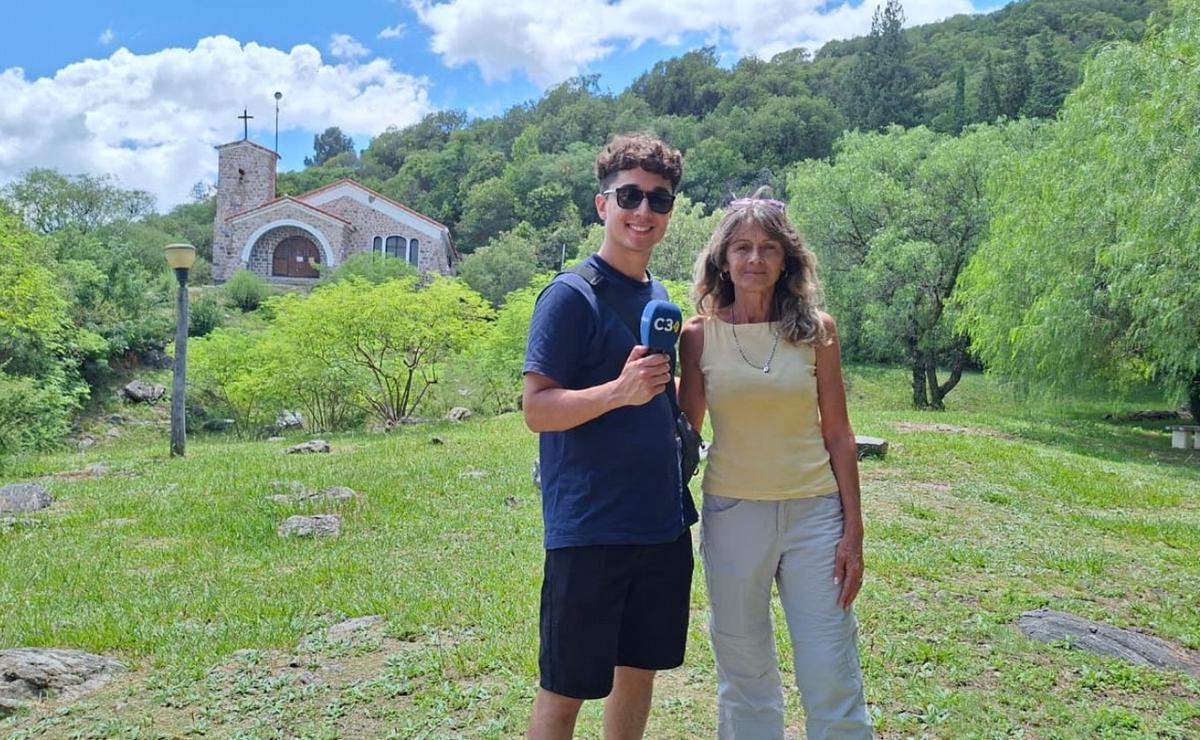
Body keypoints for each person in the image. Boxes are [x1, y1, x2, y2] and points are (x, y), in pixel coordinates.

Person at [677, 193, 872, 739]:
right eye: (742, 247)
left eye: (768, 248)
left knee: (830, 664)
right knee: (743, 668)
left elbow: (838, 431)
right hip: (734, 513)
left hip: (815, 514)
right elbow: (685, 431)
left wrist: (852, 530)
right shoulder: (697, 336)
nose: (754, 259)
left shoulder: (818, 330)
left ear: (787, 259)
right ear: (723, 259)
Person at [522, 133, 697, 740]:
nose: (644, 211)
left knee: (638, 673)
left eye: (659, 200)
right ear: (603, 205)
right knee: (565, 689)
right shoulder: (569, 298)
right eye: (630, 196)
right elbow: (537, 409)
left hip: (662, 525)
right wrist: (616, 393)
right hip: (591, 529)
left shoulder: (661, 296)